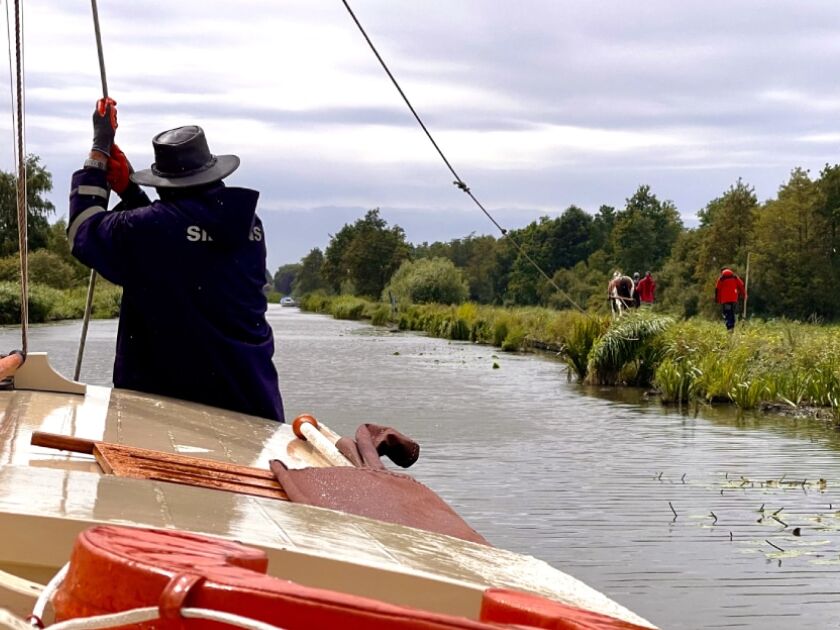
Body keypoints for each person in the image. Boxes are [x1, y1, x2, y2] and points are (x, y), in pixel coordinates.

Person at [67, 98, 284, 421]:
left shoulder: (152, 229)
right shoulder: (249, 227)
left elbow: (82, 229)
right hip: (252, 404)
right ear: (212, 174)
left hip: (168, 413)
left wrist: (99, 149)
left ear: (166, 184)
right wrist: (130, 192)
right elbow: (175, 241)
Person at [715, 267, 746, 332]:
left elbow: (717, 290)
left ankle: (729, 327)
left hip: (725, 301)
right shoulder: (735, 277)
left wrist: (717, 299)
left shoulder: (721, 279)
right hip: (734, 299)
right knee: (732, 312)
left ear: (722, 272)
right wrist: (744, 295)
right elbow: (741, 286)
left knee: (727, 313)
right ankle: (732, 327)